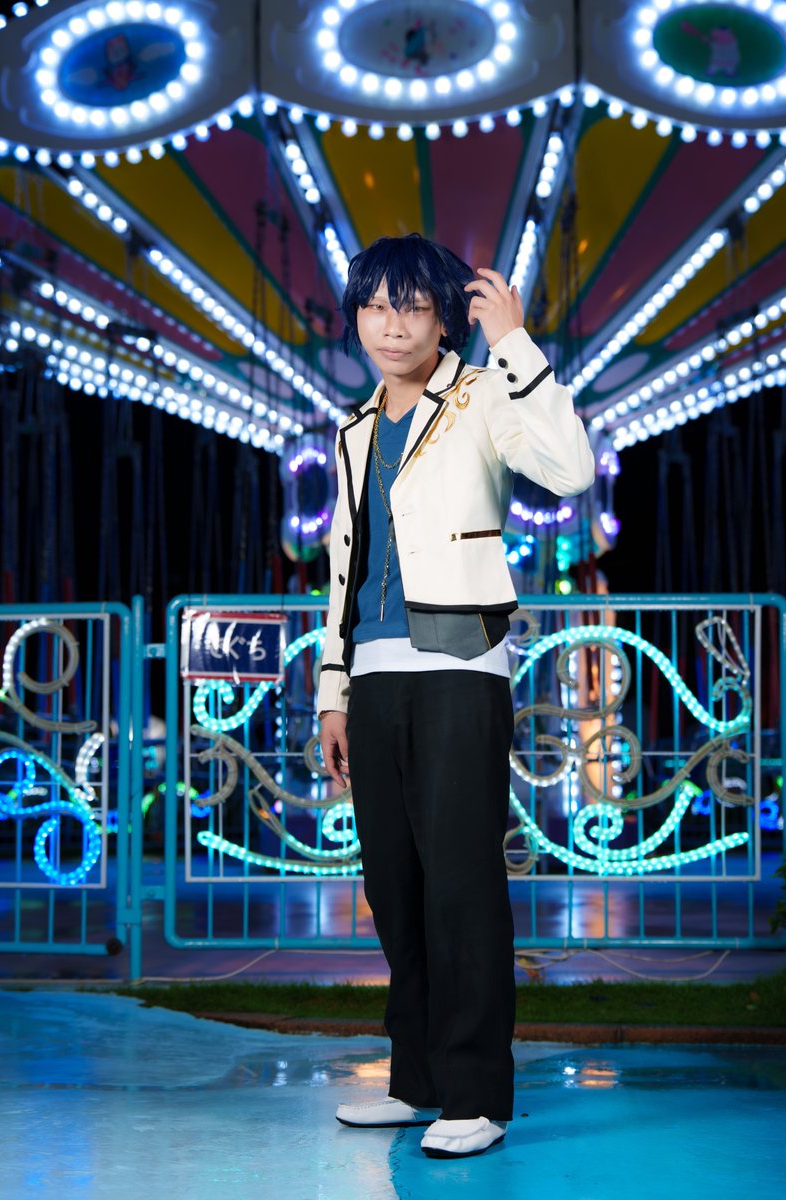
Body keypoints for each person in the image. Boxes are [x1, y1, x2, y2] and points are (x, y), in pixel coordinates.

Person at [317, 233, 595, 1159]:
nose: (392, 326)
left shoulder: (480, 395)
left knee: (462, 886)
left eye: (412, 308)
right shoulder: (354, 429)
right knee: (393, 890)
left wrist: (514, 343)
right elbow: (344, 572)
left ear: (444, 320)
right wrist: (333, 690)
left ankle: (475, 1093)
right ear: (357, 318)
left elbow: (571, 469)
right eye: (375, 307)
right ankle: (418, 1082)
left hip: (459, 667)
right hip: (372, 678)